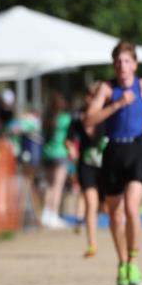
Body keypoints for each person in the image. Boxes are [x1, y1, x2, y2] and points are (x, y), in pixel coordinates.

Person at [85, 41, 142, 285]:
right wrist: (117, 105)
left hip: (136, 148)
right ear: (114, 65)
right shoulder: (107, 90)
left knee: (131, 208)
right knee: (114, 213)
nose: (123, 66)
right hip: (113, 151)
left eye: (127, 61)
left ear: (135, 64)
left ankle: (133, 261)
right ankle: (121, 263)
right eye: (118, 62)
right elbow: (89, 118)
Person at [70, 82, 106, 257]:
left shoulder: (108, 115)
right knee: (91, 203)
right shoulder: (78, 117)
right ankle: (92, 244)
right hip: (86, 164)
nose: (91, 99)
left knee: (106, 207)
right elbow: (69, 138)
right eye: (90, 95)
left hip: (107, 165)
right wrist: (70, 148)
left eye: (95, 96)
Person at [40, 92, 72, 229]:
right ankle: (53, 214)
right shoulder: (65, 118)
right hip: (60, 153)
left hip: (46, 153)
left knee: (49, 185)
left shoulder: (46, 119)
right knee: (57, 187)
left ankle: (46, 214)